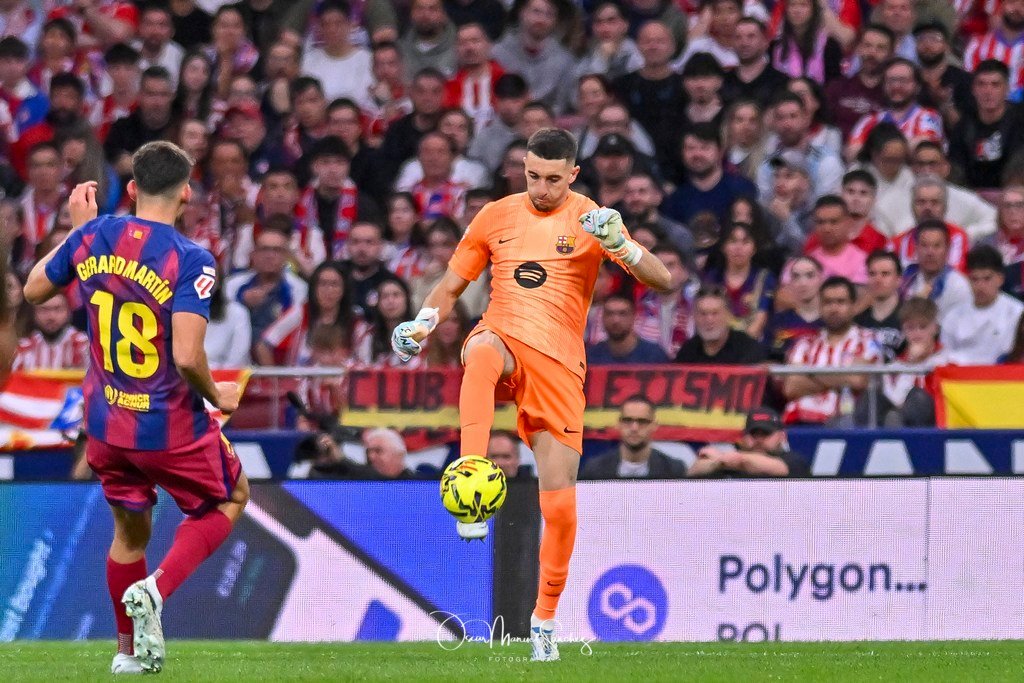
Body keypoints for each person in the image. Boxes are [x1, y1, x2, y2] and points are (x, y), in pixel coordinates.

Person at [390, 127, 671, 661]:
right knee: (480, 351)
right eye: (532, 176)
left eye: (552, 179)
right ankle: (471, 481)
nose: (541, 188)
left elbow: (663, 280)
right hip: (504, 336)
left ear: (573, 174)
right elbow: (451, 287)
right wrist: (422, 324)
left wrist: (622, 245)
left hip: (559, 367)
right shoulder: (495, 215)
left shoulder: (592, 218)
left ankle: (544, 620)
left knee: (559, 507)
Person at [23, 143, 248, 675]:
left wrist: (79, 232)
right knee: (231, 496)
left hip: (105, 426)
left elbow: (33, 290)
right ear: (186, 192)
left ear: (131, 188)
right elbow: (187, 355)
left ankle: (128, 653)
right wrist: (218, 396)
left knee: (129, 534)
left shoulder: (94, 235)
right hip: (168, 426)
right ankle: (156, 591)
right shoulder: (192, 259)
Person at [781, 276, 881, 425]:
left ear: (853, 306)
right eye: (828, 302)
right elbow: (791, 387)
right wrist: (843, 378)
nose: (834, 308)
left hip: (845, 423)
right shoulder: (805, 343)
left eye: (841, 302)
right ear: (820, 307)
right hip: (799, 420)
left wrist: (810, 374)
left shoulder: (868, 339)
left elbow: (858, 380)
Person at [941, 245, 1024, 366]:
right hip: (962, 374)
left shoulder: (1017, 313)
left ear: (1000, 279)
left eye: (987, 279)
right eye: (975, 279)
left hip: (1003, 374)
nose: (980, 286)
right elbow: (944, 357)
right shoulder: (953, 317)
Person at [949, 60, 1024, 191]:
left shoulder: (1020, 119)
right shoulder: (963, 126)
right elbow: (957, 167)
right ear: (973, 89)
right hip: (972, 195)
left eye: (995, 85)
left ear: (1007, 89)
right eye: (981, 84)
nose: (988, 91)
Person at [580, 395, 685, 479]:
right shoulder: (595, 470)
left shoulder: (673, 470)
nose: (634, 428)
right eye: (627, 420)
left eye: (642, 421)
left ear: (654, 425)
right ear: (618, 423)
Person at [688, 407, 810, 477]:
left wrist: (725, 458)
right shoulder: (728, 461)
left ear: (782, 436)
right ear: (744, 436)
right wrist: (720, 462)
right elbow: (693, 472)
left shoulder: (794, 460)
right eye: (753, 434)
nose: (759, 439)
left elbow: (780, 469)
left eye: (766, 434)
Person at [899, 220, 972, 322]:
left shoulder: (958, 286)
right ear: (916, 248)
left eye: (936, 246)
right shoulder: (906, 280)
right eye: (924, 245)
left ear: (948, 249)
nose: (930, 252)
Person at [674, 285, 767, 364]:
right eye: (703, 313)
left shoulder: (748, 349)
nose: (709, 320)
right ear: (694, 317)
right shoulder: (687, 352)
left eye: (715, 313)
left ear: (728, 316)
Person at [764, 255, 823, 362]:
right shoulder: (777, 321)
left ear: (821, 279)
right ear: (790, 283)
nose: (803, 283)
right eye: (796, 277)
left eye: (810, 275)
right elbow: (767, 359)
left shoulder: (832, 321)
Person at [13, 292, 89, 370]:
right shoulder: (24, 348)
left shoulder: (84, 346)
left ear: (69, 312)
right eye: (44, 309)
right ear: (34, 313)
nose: (51, 316)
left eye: (57, 309)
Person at [804, 195, 868, 286]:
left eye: (834, 222)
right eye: (821, 222)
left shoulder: (863, 262)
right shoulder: (806, 263)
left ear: (848, 223)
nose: (827, 229)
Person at [587, 294, 670, 365]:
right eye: (609, 314)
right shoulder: (591, 356)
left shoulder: (654, 356)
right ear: (602, 317)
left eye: (622, 313)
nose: (615, 320)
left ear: (634, 317)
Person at [855, 250, 904, 360]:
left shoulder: (910, 317)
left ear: (899, 280)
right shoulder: (857, 322)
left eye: (885, 274)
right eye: (872, 274)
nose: (878, 280)